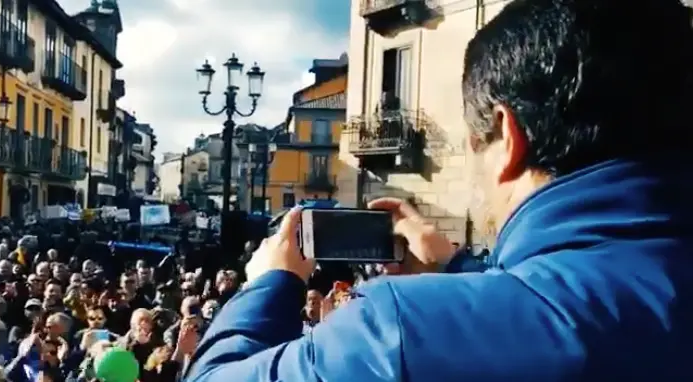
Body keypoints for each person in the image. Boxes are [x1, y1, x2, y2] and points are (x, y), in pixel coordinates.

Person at [183, 1, 693, 381]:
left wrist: (269, 285)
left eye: (474, 144)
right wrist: (457, 269)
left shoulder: (398, 329)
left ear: (508, 136)